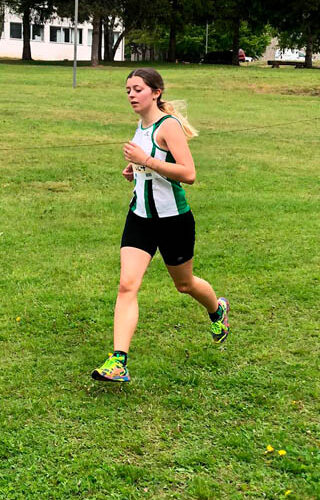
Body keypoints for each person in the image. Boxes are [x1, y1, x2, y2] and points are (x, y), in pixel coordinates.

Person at [91, 68, 230, 383]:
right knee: (127, 285)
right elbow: (150, 164)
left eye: (137, 89)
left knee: (185, 285)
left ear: (156, 92)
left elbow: (188, 173)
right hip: (140, 217)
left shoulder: (169, 126)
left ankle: (217, 309)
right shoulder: (141, 126)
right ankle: (118, 361)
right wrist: (135, 169)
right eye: (128, 90)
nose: (131, 94)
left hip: (173, 220)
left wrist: (146, 161)